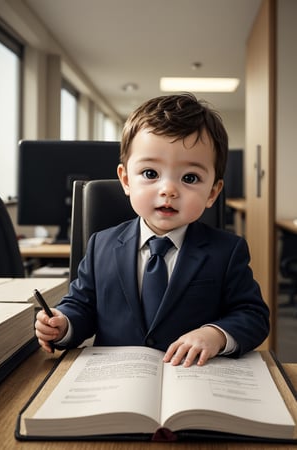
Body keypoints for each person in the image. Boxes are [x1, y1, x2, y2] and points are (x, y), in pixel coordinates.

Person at [35, 93, 270, 367]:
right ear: (125, 180)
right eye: (150, 173)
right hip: (116, 381)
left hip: (193, 380)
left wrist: (215, 334)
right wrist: (63, 324)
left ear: (212, 193)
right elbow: (82, 306)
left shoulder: (227, 251)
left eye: (190, 178)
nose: (168, 189)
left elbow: (253, 316)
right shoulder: (102, 244)